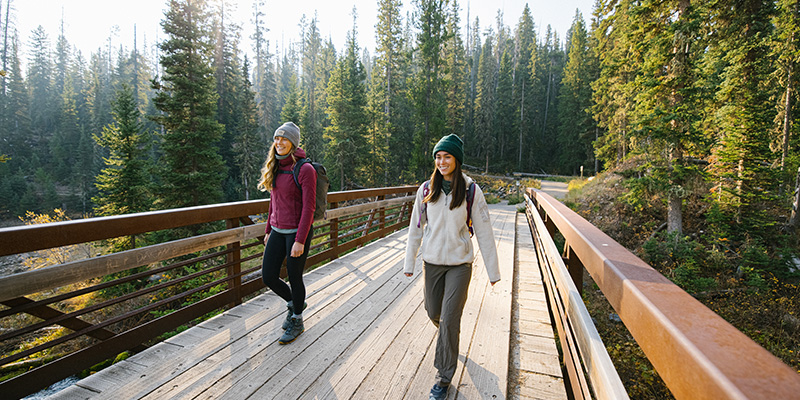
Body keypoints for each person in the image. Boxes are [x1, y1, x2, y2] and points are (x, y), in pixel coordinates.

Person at [403, 134, 500, 400]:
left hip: (460, 265)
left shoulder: (470, 190)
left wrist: (493, 271)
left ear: (457, 159)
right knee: (434, 311)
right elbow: (415, 229)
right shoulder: (426, 190)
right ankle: (450, 339)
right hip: (432, 263)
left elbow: (484, 231)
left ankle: (443, 379)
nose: (442, 161)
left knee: (448, 318)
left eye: (447, 157)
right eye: (438, 157)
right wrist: (409, 261)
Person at [257, 121, 316, 345]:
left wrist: (300, 240)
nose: (279, 142)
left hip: (296, 232)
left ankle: (297, 319)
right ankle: (295, 303)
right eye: (276, 138)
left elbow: (309, 208)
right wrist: (268, 230)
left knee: (294, 275)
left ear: (293, 143)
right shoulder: (275, 166)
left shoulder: (305, 169)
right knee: (268, 276)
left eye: (284, 139)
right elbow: (273, 201)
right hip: (277, 231)